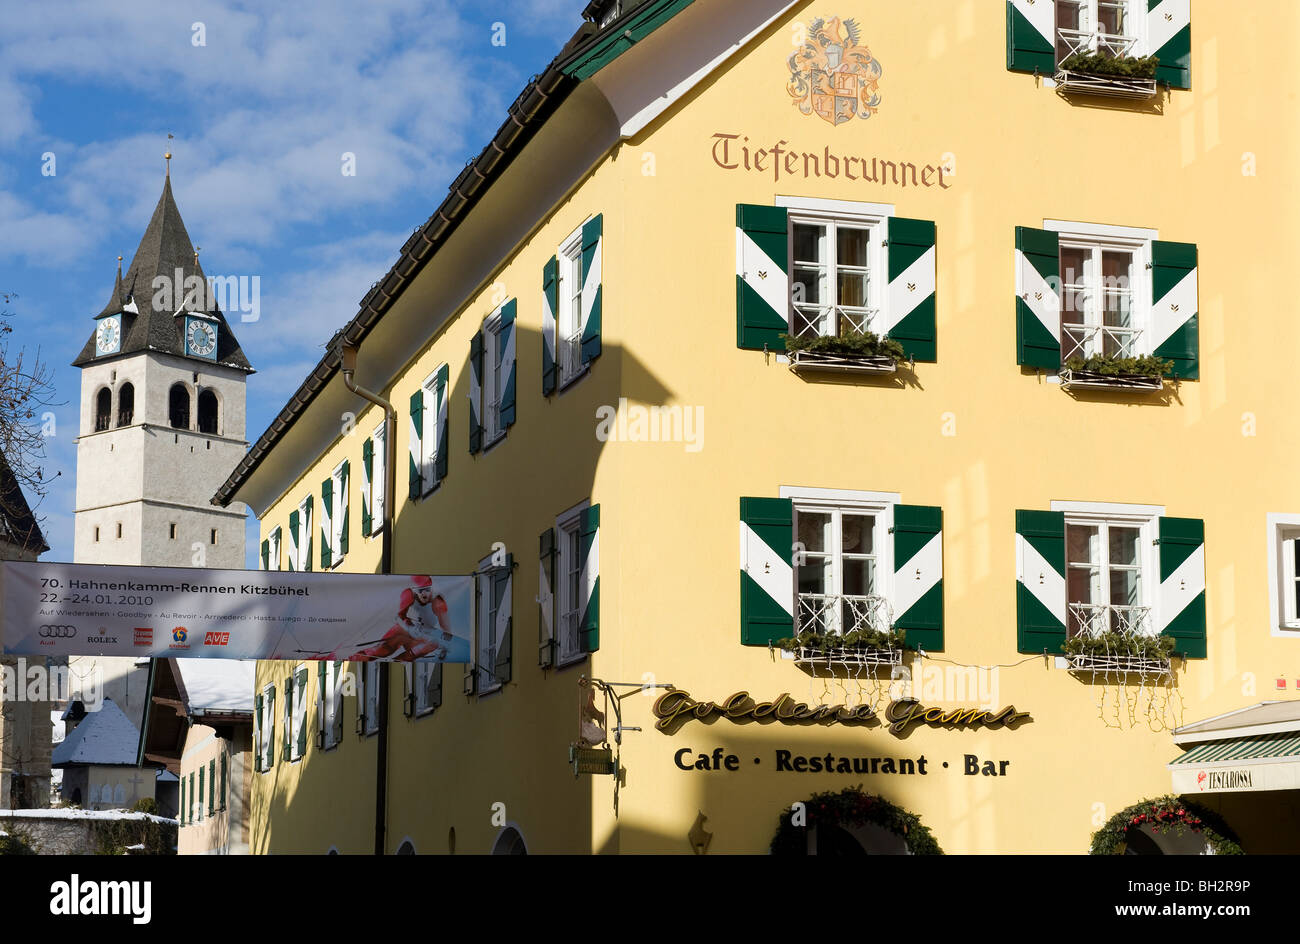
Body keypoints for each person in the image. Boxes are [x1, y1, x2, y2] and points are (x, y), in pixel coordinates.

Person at [356, 576, 457, 662]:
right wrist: (409, 628)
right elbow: (398, 617)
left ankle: (398, 661)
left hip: (423, 635)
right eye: (420, 590)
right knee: (383, 649)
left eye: (427, 589)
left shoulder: (437, 602)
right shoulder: (409, 595)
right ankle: (358, 657)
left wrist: (445, 645)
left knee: (430, 645)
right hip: (405, 629)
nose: (424, 594)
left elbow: (446, 628)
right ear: (414, 589)